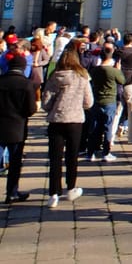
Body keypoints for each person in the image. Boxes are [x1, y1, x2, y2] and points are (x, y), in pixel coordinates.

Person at [42, 43, 93, 207]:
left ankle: (53, 194)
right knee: (72, 156)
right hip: (75, 120)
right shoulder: (82, 77)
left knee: (55, 158)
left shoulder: (54, 77)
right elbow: (89, 102)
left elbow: (46, 103)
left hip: (56, 120)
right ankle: (71, 187)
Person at [0, 51, 37, 203]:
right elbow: (31, 109)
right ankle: (12, 192)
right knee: (15, 161)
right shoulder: (26, 84)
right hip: (17, 127)